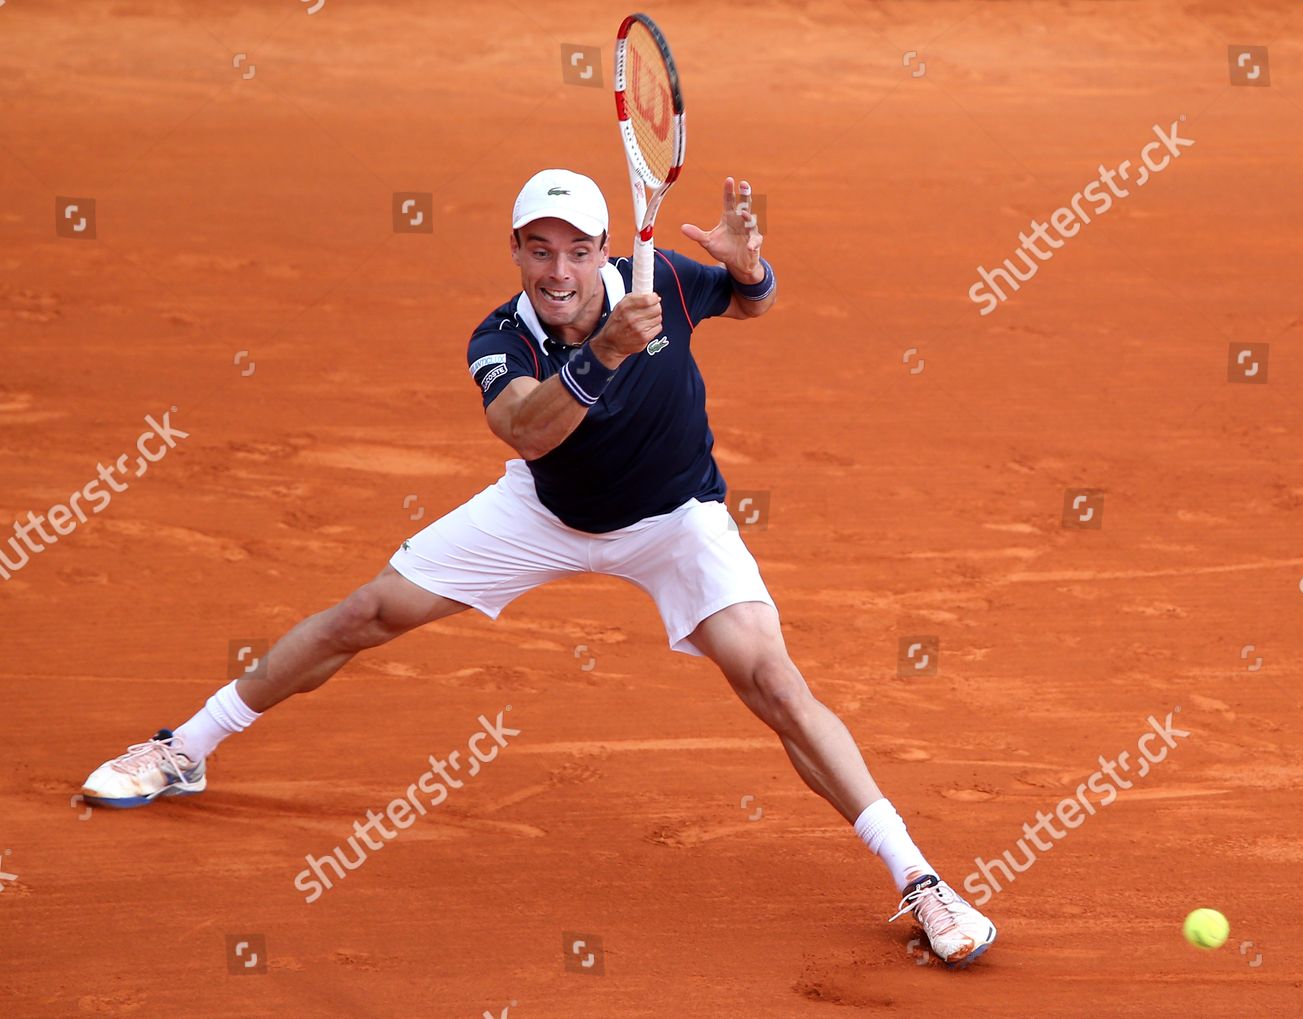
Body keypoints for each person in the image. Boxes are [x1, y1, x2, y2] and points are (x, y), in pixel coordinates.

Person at [80, 168, 996, 967]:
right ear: (515, 252)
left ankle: (919, 878)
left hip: (676, 519)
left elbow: (751, 303)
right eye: (538, 251)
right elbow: (524, 429)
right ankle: (183, 748)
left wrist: (751, 266)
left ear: (605, 249)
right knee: (367, 611)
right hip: (544, 512)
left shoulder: (666, 279)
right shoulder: (500, 337)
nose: (559, 272)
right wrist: (604, 352)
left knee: (775, 683)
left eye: (577, 251)